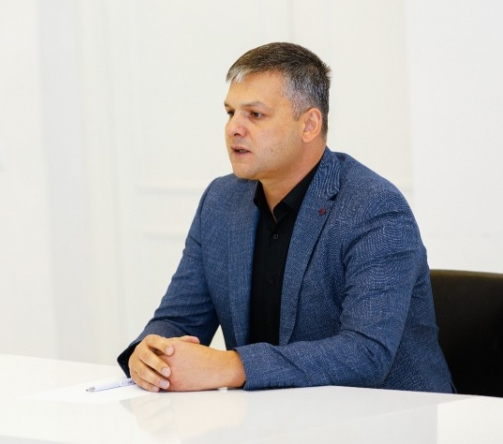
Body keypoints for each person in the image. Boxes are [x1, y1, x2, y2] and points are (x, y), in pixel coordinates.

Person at [117, 42, 453, 393]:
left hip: (387, 414)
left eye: (255, 115)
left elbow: (366, 353)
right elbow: (179, 319)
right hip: (267, 415)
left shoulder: (374, 208)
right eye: (230, 112)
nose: (234, 128)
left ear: (309, 124)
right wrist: (150, 354)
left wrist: (233, 366)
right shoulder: (220, 201)